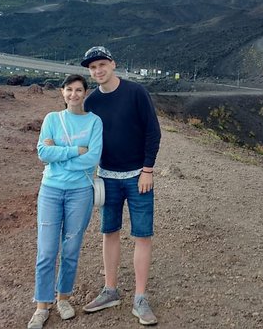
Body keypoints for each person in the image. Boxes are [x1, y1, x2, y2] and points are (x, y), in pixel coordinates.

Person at [79, 46, 162, 326]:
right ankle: (110, 290)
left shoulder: (136, 93)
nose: (98, 70)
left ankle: (140, 297)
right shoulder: (91, 103)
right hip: (107, 177)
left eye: (102, 64)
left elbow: (153, 131)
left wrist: (148, 170)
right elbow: (85, 140)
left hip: (138, 175)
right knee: (109, 232)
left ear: (113, 64)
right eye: (92, 68)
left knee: (142, 235)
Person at [28, 74, 103, 329]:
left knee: (70, 250)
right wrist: (74, 150)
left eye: (78, 90)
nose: (73, 94)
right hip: (50, 190)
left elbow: (92, 159)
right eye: (69, 89)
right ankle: (42, 306)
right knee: (47, 251)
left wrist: (58, 154)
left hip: (80, 192)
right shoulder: (52, 119)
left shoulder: (94, 122)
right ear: (62, 92)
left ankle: (64, 298)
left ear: (85, 93)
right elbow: (42, 153)